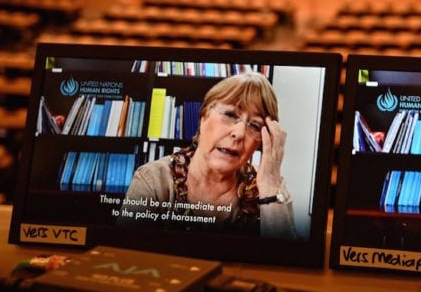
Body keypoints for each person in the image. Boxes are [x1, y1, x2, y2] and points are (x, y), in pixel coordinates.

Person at [120, 72, 297, 239]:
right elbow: (124, 258)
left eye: (255, 126)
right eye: (229, 114)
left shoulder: (271, 188)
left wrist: (270, 187)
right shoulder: (153, 180)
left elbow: (286, 264)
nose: (240, 133)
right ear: (203, 117)